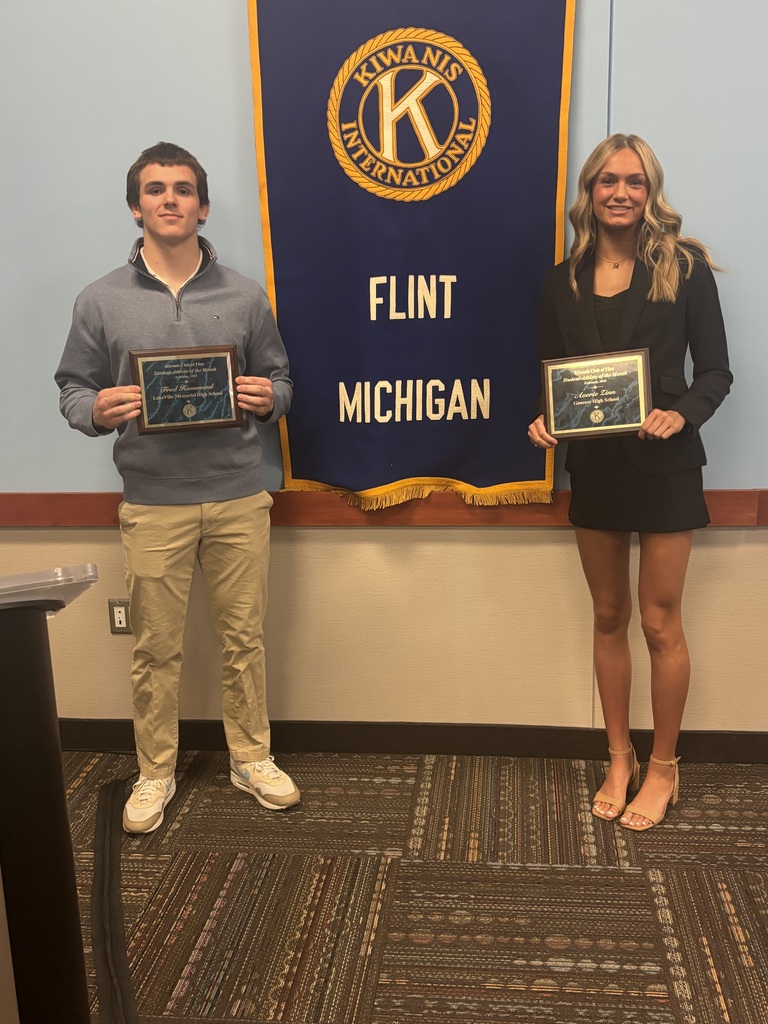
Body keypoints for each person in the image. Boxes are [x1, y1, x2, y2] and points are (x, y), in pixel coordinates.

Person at [56, 142, 300, 833]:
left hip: (236, 496)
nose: (170, 199)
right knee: (154, 649)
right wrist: (95, 410)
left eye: (183, 189)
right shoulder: (99, 301)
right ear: (137, 208)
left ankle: (251, 757)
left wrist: (267, 397)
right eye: (156, 190)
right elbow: (72, 388)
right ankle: (155, 771)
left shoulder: (245, 296)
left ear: (203, 206)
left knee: (243, 639)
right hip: (153, 503)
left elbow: (282, 380)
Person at [528, 134, 731, 832]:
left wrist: (681, 414)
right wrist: (546, 423)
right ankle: (620, 757)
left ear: (652, 192)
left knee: (659, 622)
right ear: (589, 192)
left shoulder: (686, 268)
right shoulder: (562, 279)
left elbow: (716, 374)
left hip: (666, 467)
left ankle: (665, 767)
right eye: (607, 181)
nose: (620, 193)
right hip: (597, 470)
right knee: (609, 617)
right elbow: (554, 376)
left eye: (635, 182)